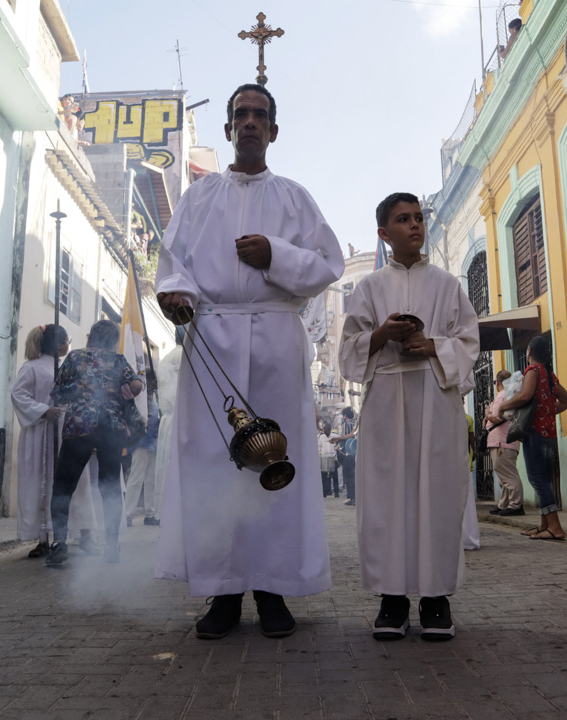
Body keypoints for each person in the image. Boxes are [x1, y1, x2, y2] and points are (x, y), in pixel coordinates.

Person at [154, 83, 344, 639]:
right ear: (229, 128)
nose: (251, 122)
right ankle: (222, 592)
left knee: (275, 464)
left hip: (276, 341)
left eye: (261, 115)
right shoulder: (200, 196)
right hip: (212, 338)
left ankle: (273, 589)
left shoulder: (294, 198)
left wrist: (275, 256)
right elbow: (173, 263)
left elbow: (328, 262)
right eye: (242, 114)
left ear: (275, 131)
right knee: (214, 463)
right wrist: (175, 295)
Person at [338, 192, 482, 642]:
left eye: (419, 217)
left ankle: (436, 600)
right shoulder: (368, 288)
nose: (415, 225)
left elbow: (470, 341)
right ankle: (392, 599)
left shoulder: (446, 284)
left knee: (437, 494)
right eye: (403, 219)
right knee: (387, 498)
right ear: (384, 232)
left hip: (435, 399)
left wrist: (432, 345)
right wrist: (382, 334)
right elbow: (347, 352)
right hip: (385, 402)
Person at [47, 320, 143, 565]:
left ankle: (59, 542)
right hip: (112, 428)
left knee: (64, 486)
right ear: (112, 340)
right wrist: (133, 383)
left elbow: (57, 394)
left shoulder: (75, 357)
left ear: (92, 337)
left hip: (79, 425)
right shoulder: (118, 359)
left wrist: (79, 388)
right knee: (109, 487)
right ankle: (112, 545)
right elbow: (136, 386)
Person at [499, 336, 567, 541]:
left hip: (536, 433)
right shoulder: (548, 374)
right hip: (548, 432)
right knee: (544, 479)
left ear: (529, 351)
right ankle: (545, 526)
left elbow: (525, 396)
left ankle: (556, 528)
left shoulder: (533, 370)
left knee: (537, 480)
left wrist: (502, 406)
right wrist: (547, 412)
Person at [11, 325, 69, 558]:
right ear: (58, 345)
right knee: (39, 484)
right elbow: (18, 395)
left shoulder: (65, 368)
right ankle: (42, 538)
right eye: (67, 341)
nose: (68, 345)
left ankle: (58, 537)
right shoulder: (31, 368)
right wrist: (44, 410)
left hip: (62, 432)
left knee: (58, 485)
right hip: (39, 433)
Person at [485, 369, 523, 516]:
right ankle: (504, 504)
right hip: (509, 441)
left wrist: (487, 413)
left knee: (508, 476)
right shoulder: (513, 395)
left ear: (498, 383)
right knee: (505, 475)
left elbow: (496, 418)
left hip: (501, 441)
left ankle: (515, 504)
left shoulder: (502, 396)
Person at [152, 341, 183, 523]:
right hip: (177, 417)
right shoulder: (181, 356)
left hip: (167, 418)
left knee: (166, 465)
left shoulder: (166, 358)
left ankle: (165, 511)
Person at [124, 370, 161, 527]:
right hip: (141, 442)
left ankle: (150, 513)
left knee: (151, 479)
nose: (154, 384)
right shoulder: (141, 399)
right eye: (152, 381)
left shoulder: (156, 398)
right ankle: (128, 514)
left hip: (154, 441)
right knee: (136, 477)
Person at [461, 400, 481, 551]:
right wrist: (473, 451)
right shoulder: (467, 418)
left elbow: (471, 437)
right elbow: (471, 438)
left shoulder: (467, 418)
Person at [332, 406, 358, 505]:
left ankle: (352, 498)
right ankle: (354, 497)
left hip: (347, 454)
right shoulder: (355, 424)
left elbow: (347, 437)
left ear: (345, 415)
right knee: (354, 475)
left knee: (348, 476)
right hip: (355, 453)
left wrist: (338, 440)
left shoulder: (346, 425)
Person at [318, 423, 340, 498]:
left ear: (330, 429)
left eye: (328, 429)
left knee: (335, 477)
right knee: (324, 477)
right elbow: (319, 447)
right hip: (324, 458)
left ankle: (336, 492)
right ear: (323, 429)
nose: (326, 430)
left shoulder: (335, 436)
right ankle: (324, 493)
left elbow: (339, 445)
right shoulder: (321, 437)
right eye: (325, 429)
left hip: (333, 458)